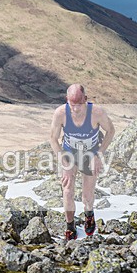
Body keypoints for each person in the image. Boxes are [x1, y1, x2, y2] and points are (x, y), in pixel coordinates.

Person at [49, 84, 115, 240]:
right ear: (67, 100)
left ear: (85, 99)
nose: (76, 109)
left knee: (87, 195)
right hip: (69, 153)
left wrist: (98, 155)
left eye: (80, 104)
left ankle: (89, 213)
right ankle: (70, 226)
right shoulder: (60, 113)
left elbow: (110, 130)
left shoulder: (97, 113)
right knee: (67, 190)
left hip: (90, 154)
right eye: (73, 105)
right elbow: (53, 138)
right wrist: (64, 162)